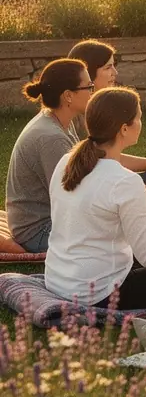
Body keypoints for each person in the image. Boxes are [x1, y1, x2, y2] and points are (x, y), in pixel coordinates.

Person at [45, 87, 146, 308]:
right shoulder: (126, 181)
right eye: (139, 118)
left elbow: (84, 217)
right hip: (99, 295)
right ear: (124, 128)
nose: (142, 123)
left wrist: (143, 223)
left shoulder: (66, 161)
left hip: (59, 281)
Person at [69, 39, 146, 203]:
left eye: (114, 65)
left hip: (103, 182)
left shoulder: (97, 107)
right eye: (108, 67)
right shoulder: (78, 116)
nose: (115, 72)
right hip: (91, 193)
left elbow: (111, 159)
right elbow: (83, 177)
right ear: (88, 73)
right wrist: (133, 189)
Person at [5, 59, 95, 253]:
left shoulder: (59, 121)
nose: (92, 91)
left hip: (50, 220)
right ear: (68, 96)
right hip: (39, 231)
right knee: (112, 236)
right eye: (88, 87)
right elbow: (72, 195)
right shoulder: (51, 137)